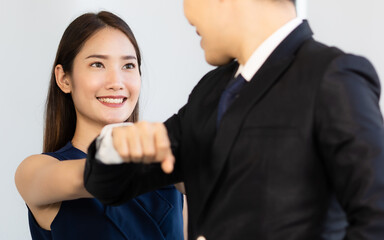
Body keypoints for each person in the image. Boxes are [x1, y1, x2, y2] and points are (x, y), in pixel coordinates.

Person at [84, 1, 384, 240]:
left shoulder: (332, 76)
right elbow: (111, 187)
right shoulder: (209, 92)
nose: (186, 11)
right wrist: (116, 144)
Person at [15, 11, 184, 240]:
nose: (116, 83)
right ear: (64, 78)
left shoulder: (170, 175)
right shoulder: (35, 170)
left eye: (128, 66)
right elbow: (86, 178)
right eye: (97, 64)